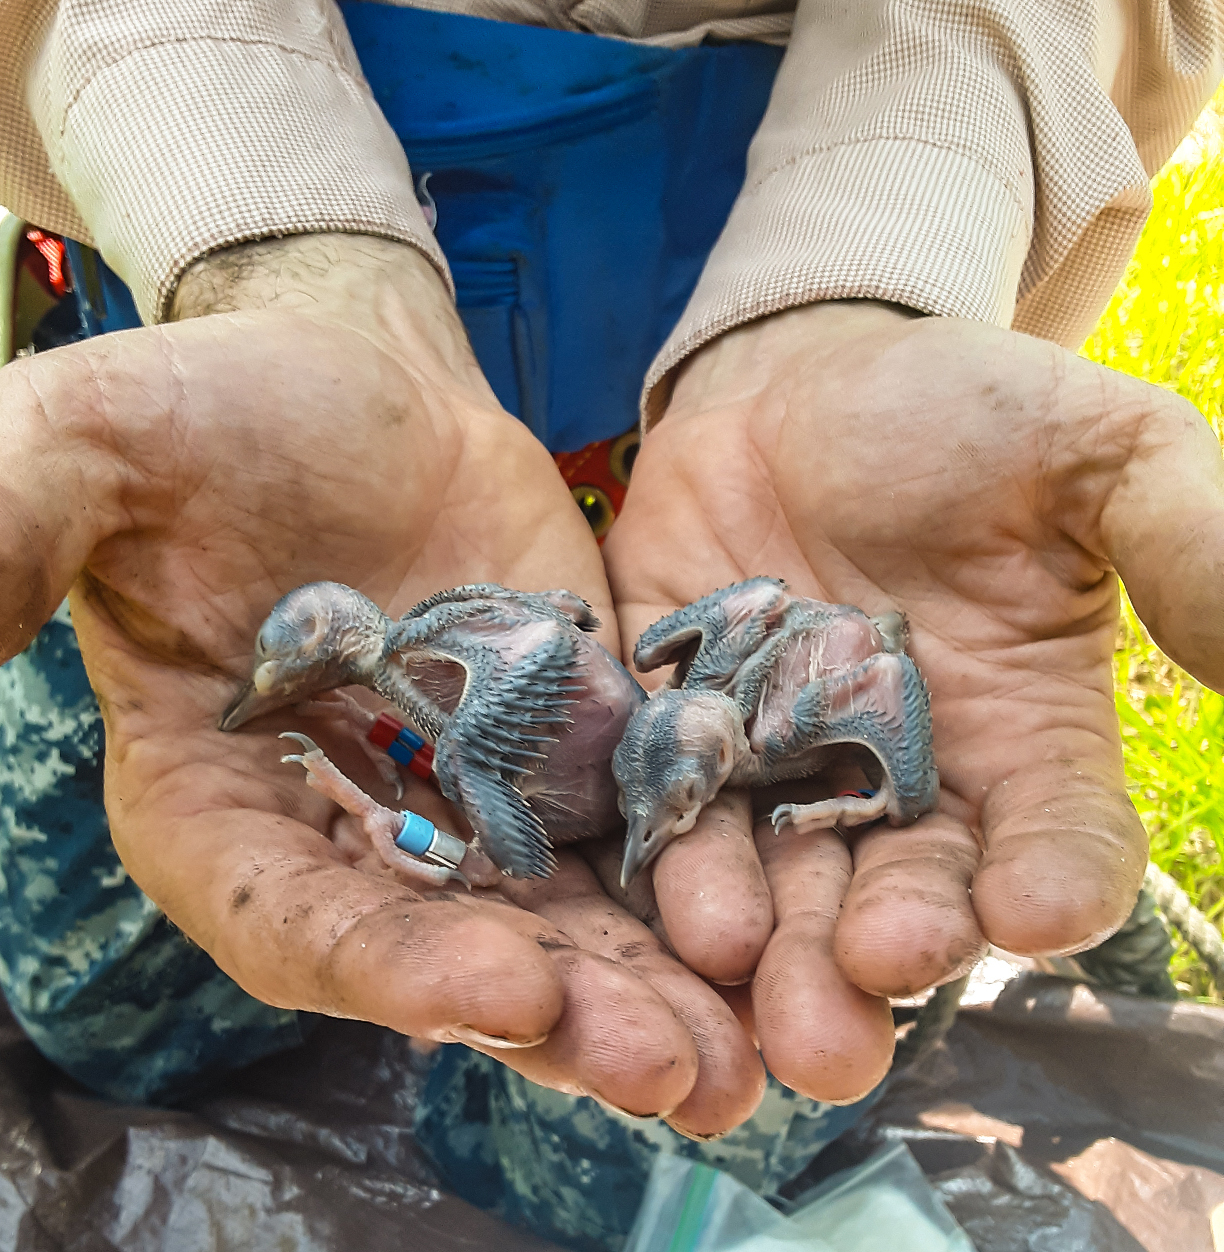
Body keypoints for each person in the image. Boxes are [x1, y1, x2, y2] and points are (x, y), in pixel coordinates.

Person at [0, 0, 1221, 1245]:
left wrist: (876, 269)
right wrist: (283, 255)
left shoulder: (572, 685)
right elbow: (533, 655)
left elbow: (537, 726)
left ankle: (960, 966)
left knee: (622, 1123)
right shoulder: (440, 648)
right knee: (105, 1019)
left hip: (782, 427)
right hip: (232, 446)